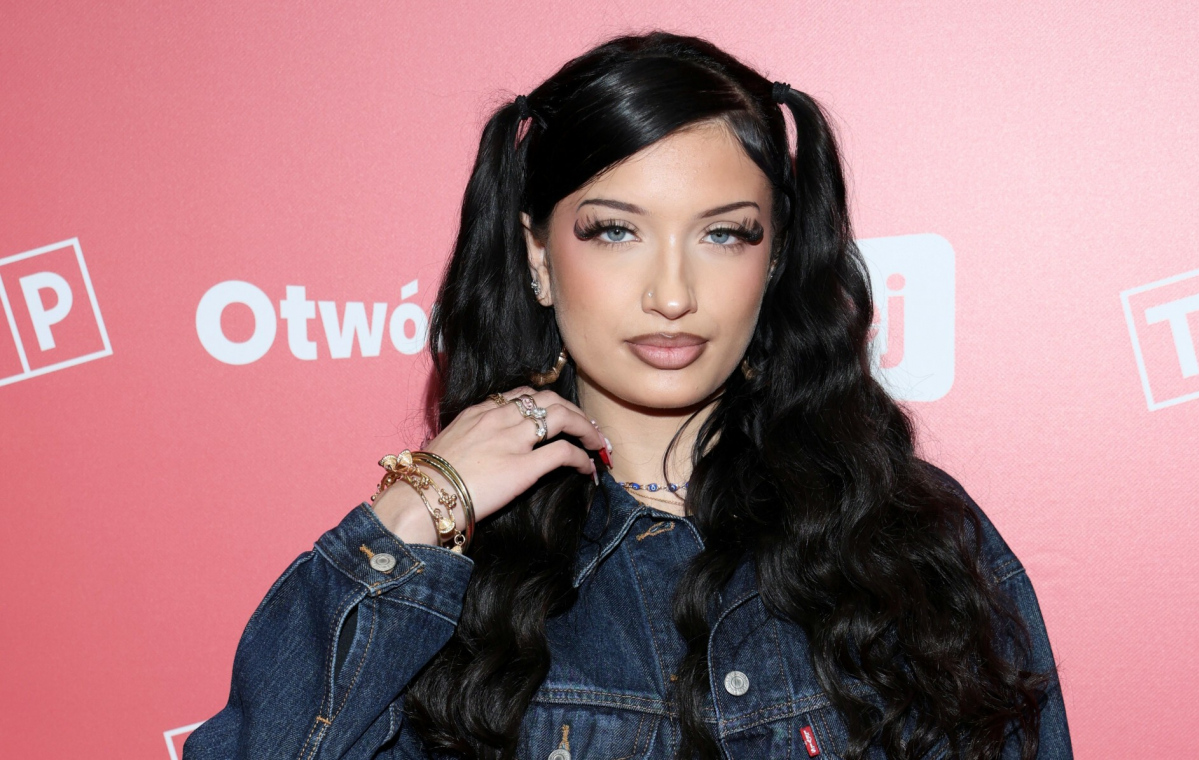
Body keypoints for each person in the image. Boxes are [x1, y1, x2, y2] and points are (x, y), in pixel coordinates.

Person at [183, 31, 1072, 760]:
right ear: (536, 254)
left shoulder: (913, 544)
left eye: (724, 235)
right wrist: (421, 505)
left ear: (775, 259)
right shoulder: (454, 575)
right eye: (615, 232)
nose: (672, 293)